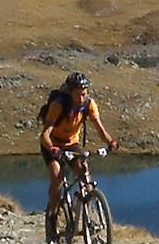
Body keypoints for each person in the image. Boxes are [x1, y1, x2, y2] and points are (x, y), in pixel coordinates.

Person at [39, 72, 117, 219]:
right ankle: (53, 215)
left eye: (84, 94)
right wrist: (52, 148)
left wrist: (110, 142)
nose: (81, 98)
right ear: (69, 93)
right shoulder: (59, 104)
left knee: (85, 175)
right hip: (53, 144)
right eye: (77, 95)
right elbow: (44, 134)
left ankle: (86, 215)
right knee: (58, 178)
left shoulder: (89, 104)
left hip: (71, 143)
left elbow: (100, 129)